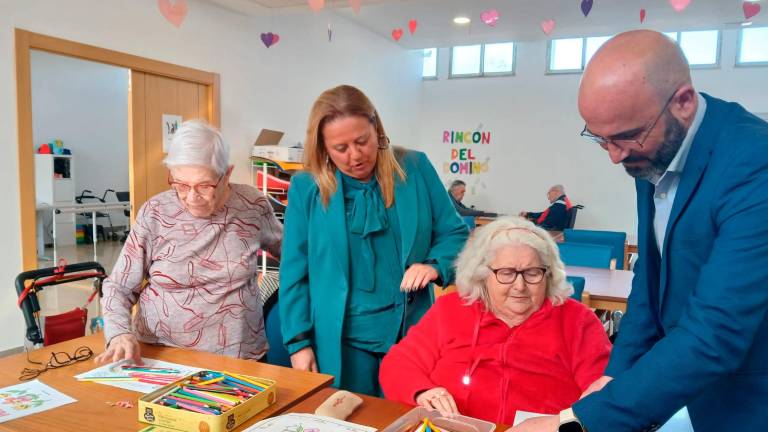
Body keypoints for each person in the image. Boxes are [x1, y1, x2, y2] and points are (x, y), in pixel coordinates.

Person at [512, 30, 768, 432]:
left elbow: (716, 330)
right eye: (601, 139)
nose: (615, 156)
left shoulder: (755, 163)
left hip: (748, 398)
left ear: (683, 102)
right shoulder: (650, 151)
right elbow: (650, 285)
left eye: (626, 136)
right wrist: (616, 375)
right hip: (688, 390)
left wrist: (578, 423)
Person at [280, 85, 469, 396]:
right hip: (339, 341)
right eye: (340, 148)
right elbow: (294, 273)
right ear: (323, 147)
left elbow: (455, 232)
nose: (355, 156)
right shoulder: (306, 187)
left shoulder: (415, 167)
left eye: (362, 141)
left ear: (377, 130)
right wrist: (298, 343)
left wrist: (435, 265)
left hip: (410, 335)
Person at [379, 217, 611, 425]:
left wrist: (565, 422)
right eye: (506, 273)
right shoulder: (451, 310)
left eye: (532, 273)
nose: (519, 286)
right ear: (482, 275)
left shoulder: (577, 321)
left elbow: (605, 393)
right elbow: (398, 363)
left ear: (548, 274)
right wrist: (423, 391)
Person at [96, 120, 283, 364]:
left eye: (204, 186)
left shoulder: (252, 205)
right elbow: (118, 286)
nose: (192, 197)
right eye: (181, 185)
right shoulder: (156, 212)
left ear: (227, 173)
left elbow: (294, 256)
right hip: (161, 354)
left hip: (239, 358)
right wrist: (119, 333)